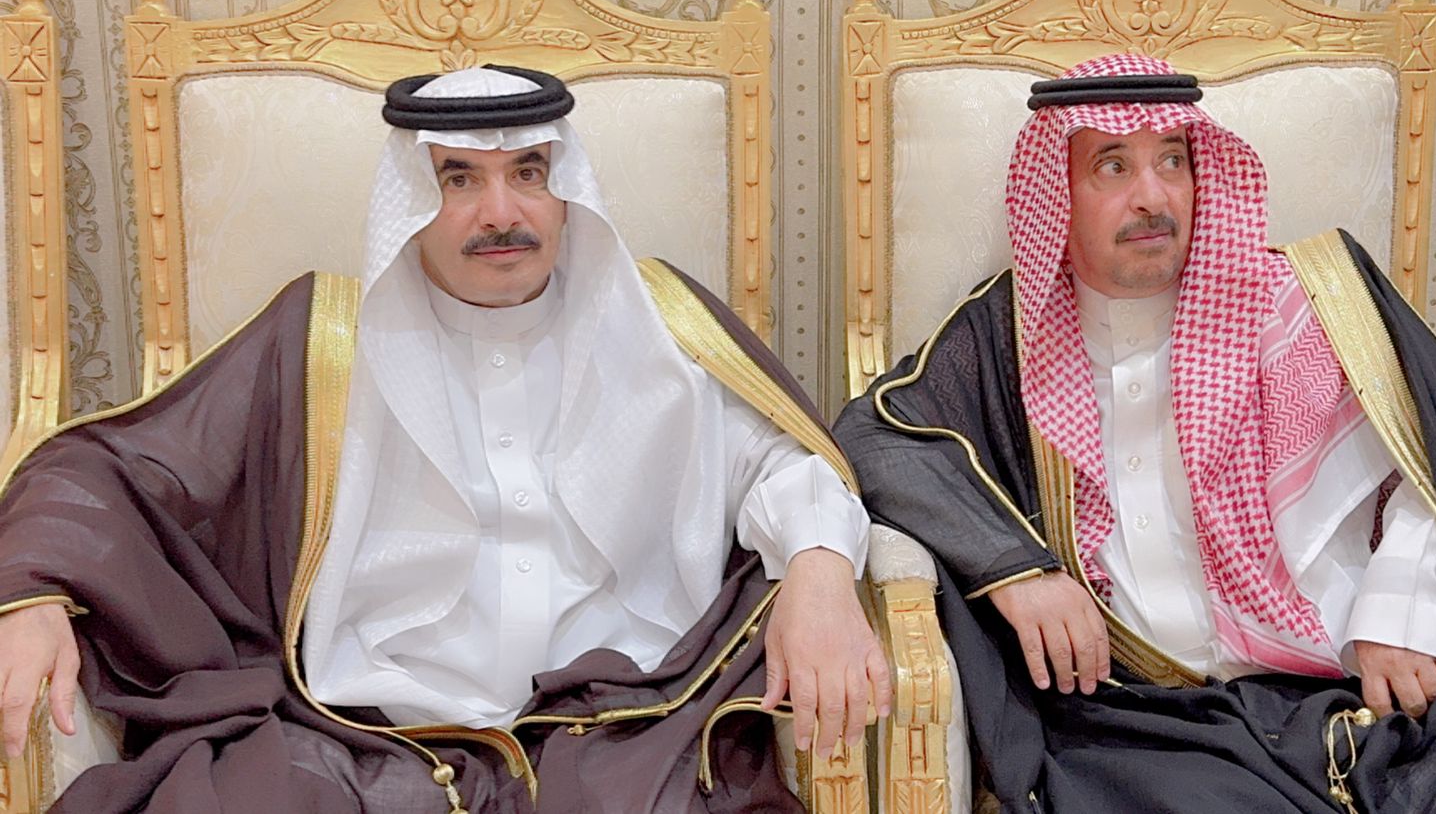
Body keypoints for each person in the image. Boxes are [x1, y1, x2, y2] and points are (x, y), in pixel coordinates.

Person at [0, 65, 888, 812]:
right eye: (459, 180)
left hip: (628, 724)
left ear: (565, 188)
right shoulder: (323, 344)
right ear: (412, 201)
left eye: (529, 172)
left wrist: (819, 570)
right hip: (365, 740)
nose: (500, 212)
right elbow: (113, 467)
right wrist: (34, 590)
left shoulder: (657, 324)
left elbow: (783, 462)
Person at [834, 53, 1436, 812]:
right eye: (1112, 167)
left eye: (1173, 160)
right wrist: (1018, 571)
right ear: (1056, 193)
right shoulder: (1010, 335)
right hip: (1151, 726)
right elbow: (877, 438)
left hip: (1365, 697)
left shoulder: (1310, 303)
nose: (1153, 197)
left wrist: (1403, 597)